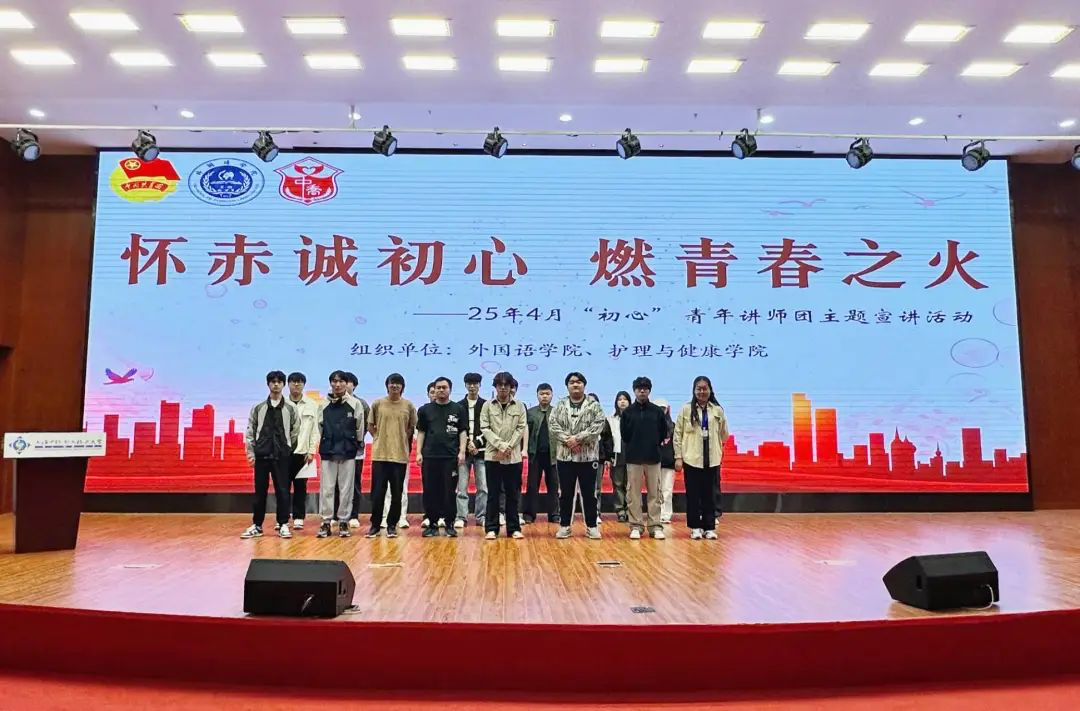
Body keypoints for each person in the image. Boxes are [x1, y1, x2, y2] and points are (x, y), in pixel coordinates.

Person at [241, 371, 299, 539]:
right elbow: (250, 431)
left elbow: (295, 431)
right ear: (268, 384)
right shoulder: (258, 408)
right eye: (273, 381)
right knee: (260, 492)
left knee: (283, 491)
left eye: (279, 382)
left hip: (282, 457)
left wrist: (287, 449)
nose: (276, 384)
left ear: (283, 385)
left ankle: (283, 524)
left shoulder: (290, 408)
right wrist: (251, 453)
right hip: (262, 456)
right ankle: (257, 525)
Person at [549, 373, 606, 539]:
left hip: (588, 457)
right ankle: (565, 526)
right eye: (572, 382)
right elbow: (553, 425)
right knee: (566, 493)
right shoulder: (560, 405)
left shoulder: (594, 405)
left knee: (589, 494)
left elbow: (598, 425)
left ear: (584, 385)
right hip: (565, 457)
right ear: (567, 386)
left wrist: (579, 439)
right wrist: (569, 440)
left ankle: (592, 526)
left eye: (579, 382)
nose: (575, 385)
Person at [674, 376, 730, 540]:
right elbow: (678, 434)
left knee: (710, 494)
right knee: (693, 495)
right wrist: (678, 456)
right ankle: (695, 527)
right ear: (694, 391)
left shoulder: (717, 410)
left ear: (710, 390)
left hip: (711, 458)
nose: (702, 392)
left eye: (705, 388)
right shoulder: (686, 409)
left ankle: (709, 527)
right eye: (698, 389)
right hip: (691, 458)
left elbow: (724, 434)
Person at [367, 373, 417, 538]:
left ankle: (391, 525)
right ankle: (375, 525)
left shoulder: (408, 405)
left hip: (399, 456)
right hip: (380, 455)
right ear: (387, 385)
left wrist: (401, 439)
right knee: (377, 493)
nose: (394, 386)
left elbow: (411, 427)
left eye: (398, 383)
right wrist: (379, 438)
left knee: (397, 493)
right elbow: (370, 425)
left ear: (402, 387)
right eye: (391, 383)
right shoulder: (378, 404)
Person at [416, 376, 467, 538]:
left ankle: (450, 523)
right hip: (430, 456)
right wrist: (418, 452)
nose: (441, 390)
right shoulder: (425, 410)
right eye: (438, 387)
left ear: (450, 390)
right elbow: (421, 432)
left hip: (450, 457)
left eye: (444, 387)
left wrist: (462, 452)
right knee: (430, 491)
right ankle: (432, 523)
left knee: (449, 491)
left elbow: (462, 432)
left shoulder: (458, 409)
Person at [316, 371, 365, 538]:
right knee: (327, 489)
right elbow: (319, 427)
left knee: (346, 489)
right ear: (330, 383)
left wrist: (356, 444)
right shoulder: (323, 405)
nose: (337, 385)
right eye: (334, 381)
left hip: (348, 451)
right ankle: (326, 522)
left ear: (346, 383)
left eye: (341, 381)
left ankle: (344, 521)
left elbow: (359, 427)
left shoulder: (355, 404)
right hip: (328, 451)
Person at [480, 371, 527, 540]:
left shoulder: (519, 406)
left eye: (506, 385)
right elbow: (485, 428)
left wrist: (509, 446)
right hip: (493, 456)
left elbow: (521, 428)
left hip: (513, 456)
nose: (503, 388)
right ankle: (491, 528)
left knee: (512, 494)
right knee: (493, 493)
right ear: (495, 387)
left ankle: (513, 528)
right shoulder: (487, 405)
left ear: (511, 387)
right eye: (499, 385)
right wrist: (500, 445)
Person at [620, 377, 668, 540]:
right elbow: (625, 435)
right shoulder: (627, 412)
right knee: (633, 494)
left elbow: (663, 433)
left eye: (645, 388)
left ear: (649, 391)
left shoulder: (657, 411)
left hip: (653, 458)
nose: (642, 391)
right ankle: (636, 525)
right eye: (639, 388)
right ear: (634, 390)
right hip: (633, 458)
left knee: (655, 493)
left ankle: (655, 526)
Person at [285, 371, 319, 530]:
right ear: (288, 384)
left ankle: (299, 517)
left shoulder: (312, 404)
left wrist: (312, 451)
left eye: (299, 382)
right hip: (284, 453)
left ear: (304, 385)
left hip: (303, 452)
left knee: (300, 487)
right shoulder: (282, 403)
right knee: (283, 486)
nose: (296, 384)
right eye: (293, 381)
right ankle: (283, 517)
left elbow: (315, 430)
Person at [455, 372, 488, 529]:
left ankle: (481, 516)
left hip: (482, 452)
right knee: (462, 487)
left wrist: (476, 443)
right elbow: (457, 428)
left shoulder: (486, 405)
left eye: (475, 383)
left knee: (483, 487)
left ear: (480, 385)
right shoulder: (458, 405)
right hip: (464, 452)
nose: (472, 386)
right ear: (465, 385)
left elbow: (489, 427)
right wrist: (468, 444)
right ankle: (461, 517)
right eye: (469, 383)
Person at [524, 383, 559, 524]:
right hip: (535, 455)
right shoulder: (530, 413)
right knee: (532, 486)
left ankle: (554, 514)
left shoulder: (557, 412)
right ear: (537, 395)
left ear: (552, 395)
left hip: (553, 455)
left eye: (547, 394)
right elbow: (525, 433)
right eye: (542, 394)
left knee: (554, 486)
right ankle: (529, 514)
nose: (544, 396)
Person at [342, 372, 372, 530]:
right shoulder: (332, 402)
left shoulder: (362, 403)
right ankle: (337, 515)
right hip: (337, 451)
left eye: (348, 382)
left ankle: (354, 515)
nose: (345, 385)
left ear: (354, 385)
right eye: (342, 381)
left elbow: (366, 425)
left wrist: (356, 440)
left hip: (356, 451)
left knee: (354, 484)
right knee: (337, 484)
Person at [589, 392, 614, 518]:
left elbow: (607, 440)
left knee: (597, 487)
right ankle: (586, 512)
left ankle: (596, 512)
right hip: (582, 459)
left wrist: (608, 457)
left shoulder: (603, 421)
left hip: (598, 458)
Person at [608, 391, 632, 522]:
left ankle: (630, 510)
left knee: (630, 484)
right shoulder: (611, 419)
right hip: (617, 454)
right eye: (620, 399)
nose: (622, 402)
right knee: (618, 484)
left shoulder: (634, 417)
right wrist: (609, 456)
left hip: (632, 454)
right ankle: (620, 511)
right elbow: (607, 438)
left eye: (625, 399)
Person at [656, 400, 676, 524]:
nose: (661, 410)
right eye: (658, 408)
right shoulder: (650, 425)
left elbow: (677, 443)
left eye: (663, 408)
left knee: (667, 490)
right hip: (653, 462)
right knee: (655, 490)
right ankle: (656, 514)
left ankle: (666, 514)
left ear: (667, 409)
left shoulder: (673, 426)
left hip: (669, 462)